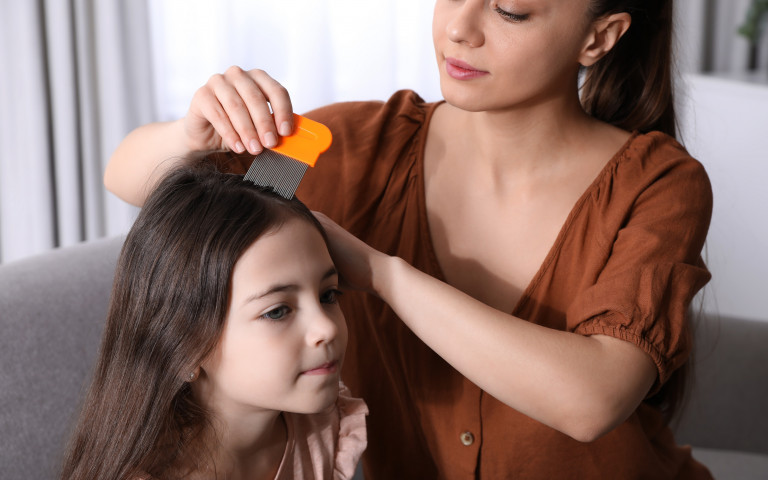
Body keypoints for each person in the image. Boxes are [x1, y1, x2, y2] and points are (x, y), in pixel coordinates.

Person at [105, 0, 714, 478]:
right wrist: (191, 135)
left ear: (600, 37)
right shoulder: (358, 148)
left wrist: (382, 274)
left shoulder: (658, 184)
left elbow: (593, 401)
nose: (459, 30)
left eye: (510, 11)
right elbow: (133, 180)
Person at [60, 161, 368, 480]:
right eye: (277, 311)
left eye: (328, 295)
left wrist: (383, 273)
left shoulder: (324, 428)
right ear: (185, 347)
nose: (327, 328)